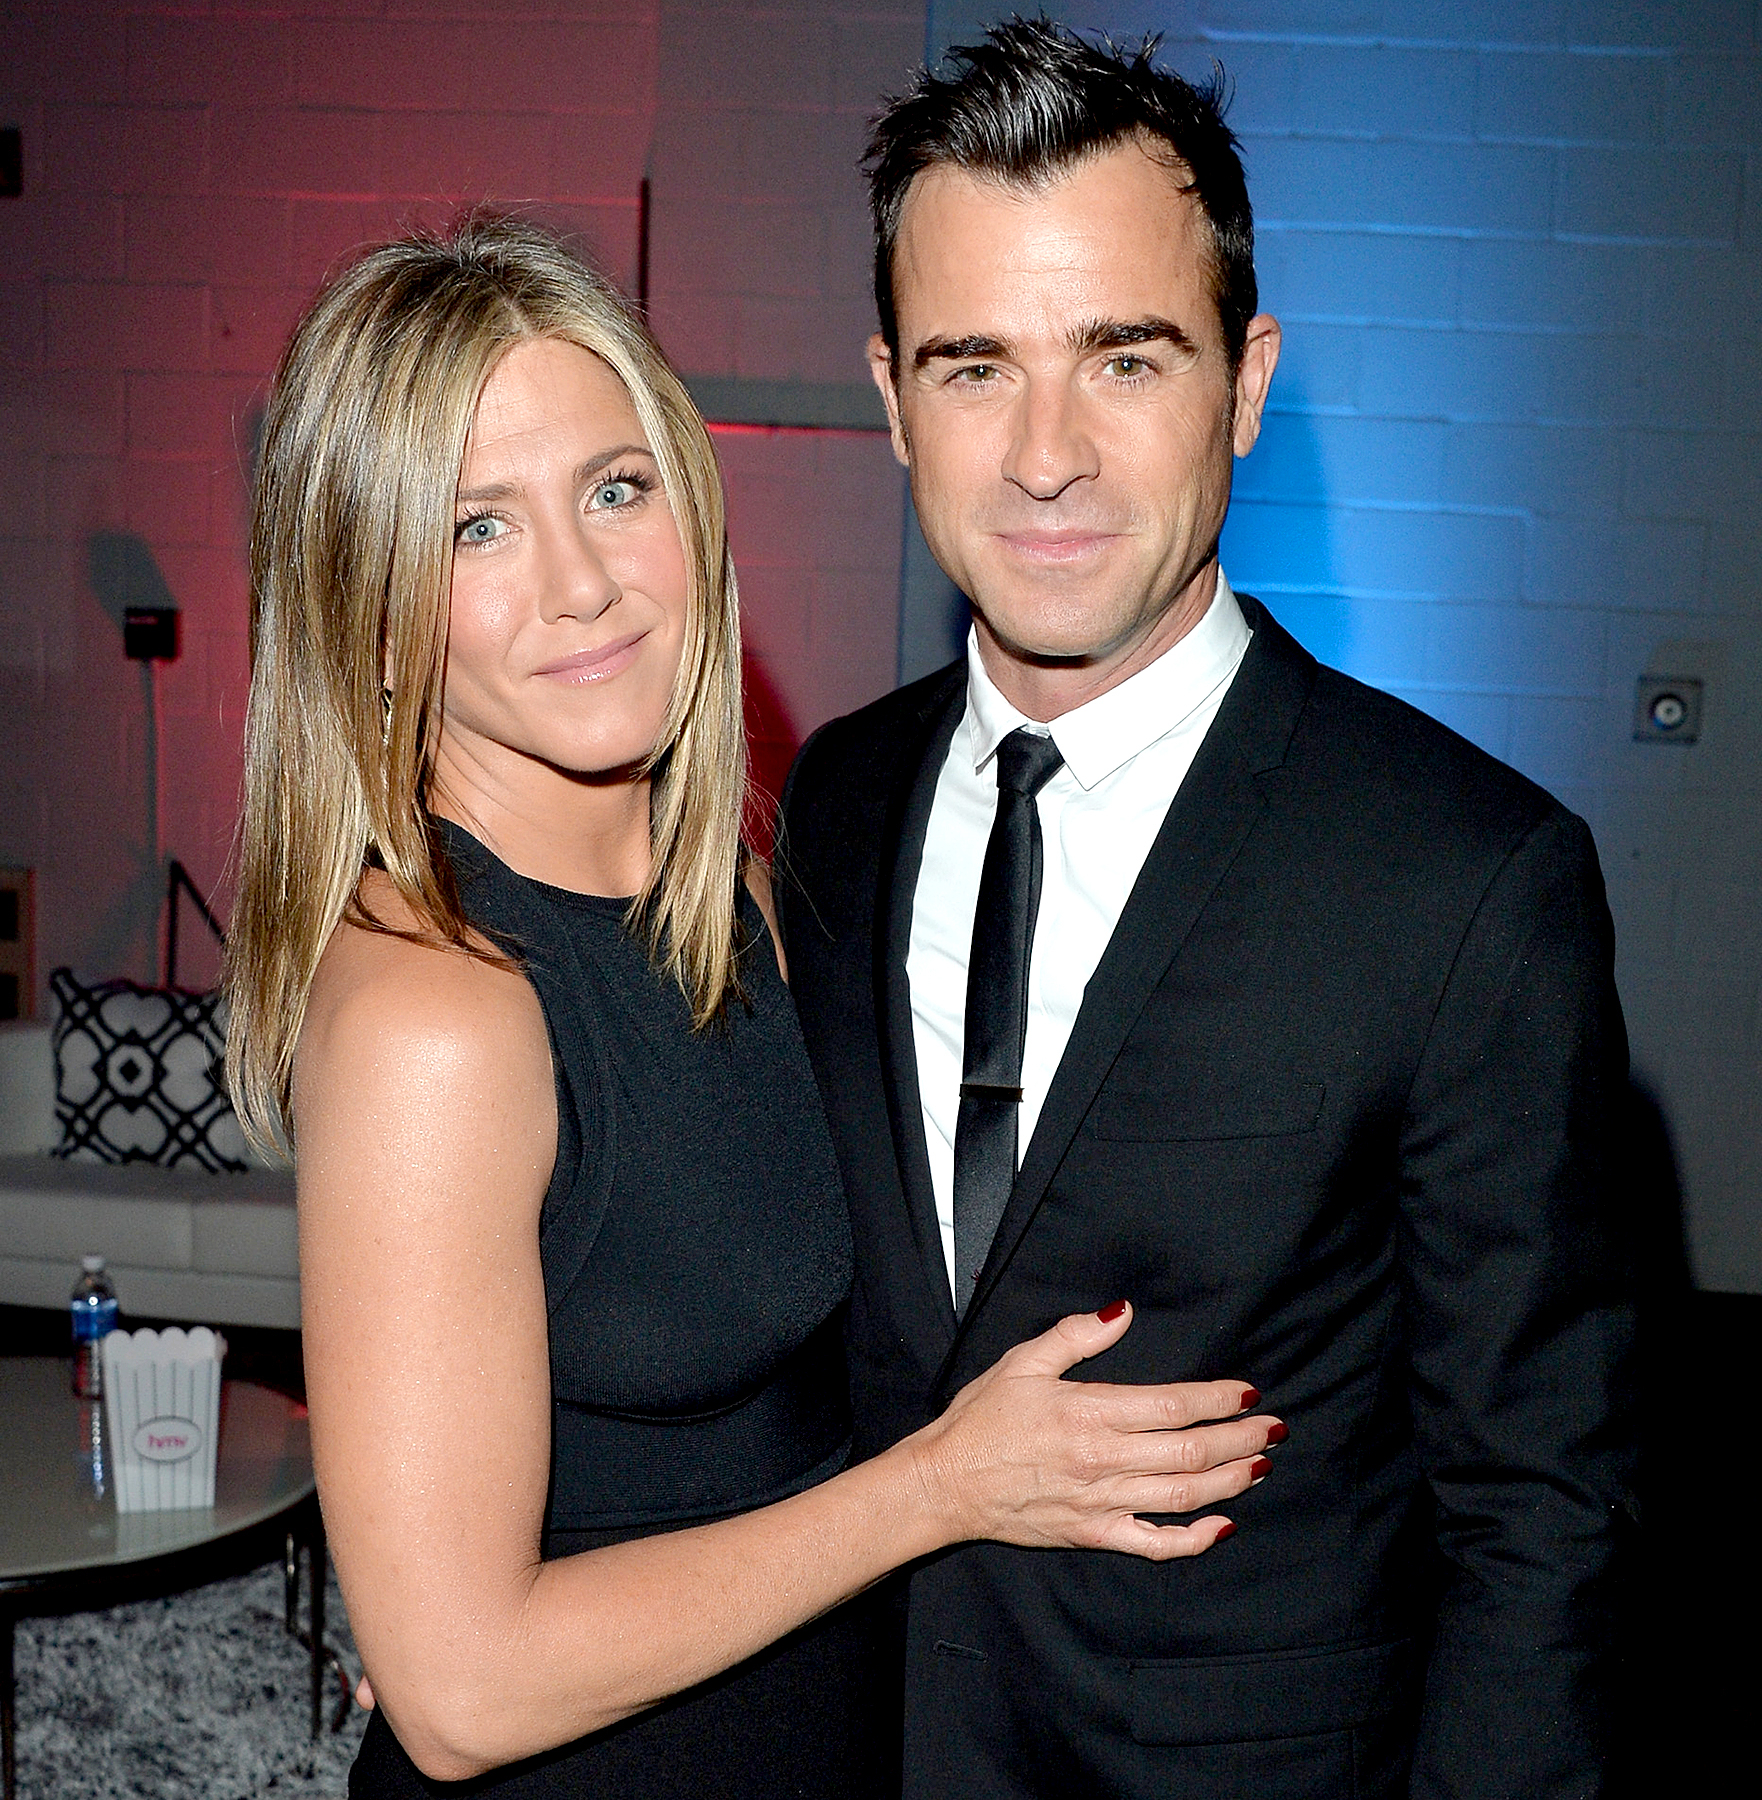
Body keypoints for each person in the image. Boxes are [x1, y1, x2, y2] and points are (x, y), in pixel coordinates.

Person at [222, 213, 1285, 1799]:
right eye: (473, 530)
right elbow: (456, 1690)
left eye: (612, 488)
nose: (583, 585)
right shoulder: (437, 1014)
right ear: (369, 611)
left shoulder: (736, 883)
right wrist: (938, 1487)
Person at [776, 22, 1637, 1800]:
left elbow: (1541, 1526)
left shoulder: (1466, 878)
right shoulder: (828, 804)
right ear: (887, 400)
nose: (1042, 456)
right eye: (970, 366)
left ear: (1244, 381)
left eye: (1122, 358)